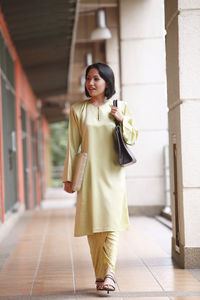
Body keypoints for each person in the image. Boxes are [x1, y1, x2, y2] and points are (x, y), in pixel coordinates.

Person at [62, 62, 138, 293]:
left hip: (113, 174)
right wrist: (68, 178)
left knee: (112, 223)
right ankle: (99, 275)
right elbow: (72, 146)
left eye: (96, 78)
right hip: (89, 176)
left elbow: (133, 138)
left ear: (107, 82)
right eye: (88, 78)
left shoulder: (120, 106)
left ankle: (110, 274)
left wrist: (122, 119)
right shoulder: (78, 110)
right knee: (93, 227)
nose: (91, 83)